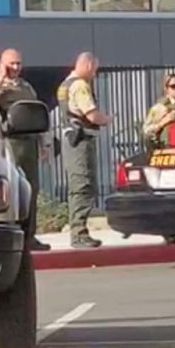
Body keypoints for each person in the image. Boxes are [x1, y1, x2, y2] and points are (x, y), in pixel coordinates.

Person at [0, 49, 51, 251]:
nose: (15, 67)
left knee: (31, 189)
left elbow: (35, 112)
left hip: (29, 142)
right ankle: (9, 234)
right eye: (11, 63)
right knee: (10, 189)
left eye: (18, 63)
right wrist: (1, 76)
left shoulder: (25, 86)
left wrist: (44, 143)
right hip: (9, 142)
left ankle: (29, 235)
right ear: (2, 63)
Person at [57, 52, 112, 248]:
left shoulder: (65, 84)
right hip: (81, 141)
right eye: (94, 69)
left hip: (71, 139)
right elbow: (91, 115)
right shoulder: (80, 85)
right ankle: (79, 233)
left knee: (77, 185)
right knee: (83, 184)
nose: (94, 74)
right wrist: (107, 119)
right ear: (88, 65)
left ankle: (78, 230)